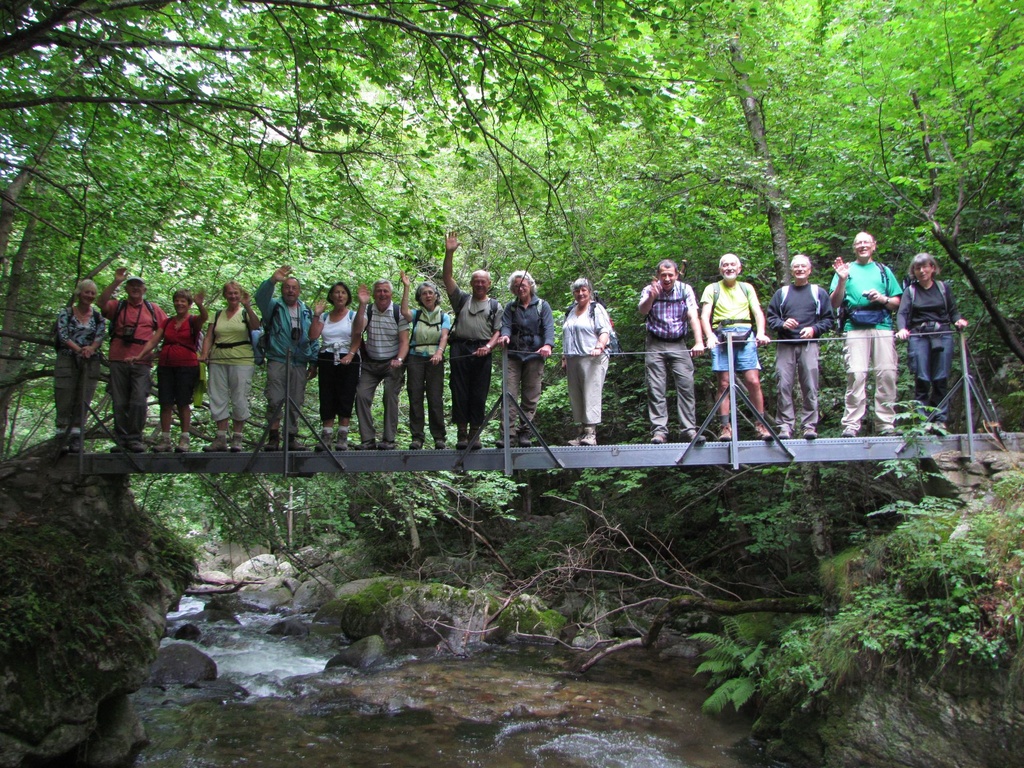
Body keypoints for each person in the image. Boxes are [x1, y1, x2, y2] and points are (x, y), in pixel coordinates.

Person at [830, 232, 903, 437]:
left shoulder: (883, 271)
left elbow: (897, 302)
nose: (862, 246)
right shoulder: (846, 270)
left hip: (882, 326)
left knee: (886, 373)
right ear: (854, 248)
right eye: (858, 243)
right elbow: (834, 303)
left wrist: (881, 298)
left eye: (866, 242)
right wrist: (842, 279)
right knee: (856, 374)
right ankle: (851, 425)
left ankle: (886, 423)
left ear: (874, 246)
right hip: (854, 327)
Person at [700, 254, 772, 441]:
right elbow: (704, 315)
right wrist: (709, 337)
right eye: (725, 265)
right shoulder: (712, 289)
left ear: (739, 269)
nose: (729, 268)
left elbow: (757, 311)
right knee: (723, 383)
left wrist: (761, 332)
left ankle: (760, 424)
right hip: (722, 336)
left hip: (746, 334)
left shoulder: (746, 288)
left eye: (733, 265)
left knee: (753, 380)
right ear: (720, 269)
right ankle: (725, 427)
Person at [442, 232, 502, 450]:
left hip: (483, 350)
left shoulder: (495, 306)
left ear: (489, 284)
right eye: (476, 281)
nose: (479, 284)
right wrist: (449, 253)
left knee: (479, 392)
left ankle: (475, 434)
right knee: (459, 390)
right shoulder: (462, 300)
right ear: (471, 283)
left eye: (483, 282)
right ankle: (462, 433)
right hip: (460, 348)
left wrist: (488, 347)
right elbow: (447, 279)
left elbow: (497, 331)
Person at [128, 289, 208, 452]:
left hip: (187, 366)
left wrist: (200, 305)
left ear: (189, 304)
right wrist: (140, 355)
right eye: (177, 300)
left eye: (183, 301)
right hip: (166, 365)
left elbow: (204, 318)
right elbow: (153, 340)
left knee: (183, 402)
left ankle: (184, 440)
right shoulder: (167, 322)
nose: (179, 304)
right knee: (165, 402)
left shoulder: (193, 321)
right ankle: (165, 440)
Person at [765, 255, 835, 439]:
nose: (800, 269)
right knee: (783, 384)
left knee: (810, 385)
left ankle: (809, 425)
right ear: (791, 270)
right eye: (796, 266)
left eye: (803, 266)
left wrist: (814, 329)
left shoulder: (817, 292)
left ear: (809, 270)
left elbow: (829, 319)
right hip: (785, 344)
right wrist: (783, 324)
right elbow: (771, 318)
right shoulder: (783, 293)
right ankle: (786, 426)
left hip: (809, 344)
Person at [98, 269, 169, 452]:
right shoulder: (118, 306)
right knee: (119, 400)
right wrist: (116, 281)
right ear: (127, 288)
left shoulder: (152, 309)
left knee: (139, 399)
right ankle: (121, 440)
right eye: (132, 285)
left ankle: (135, 438)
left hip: (142, 361)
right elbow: (101, 303)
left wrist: (160, 352)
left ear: (144, 289)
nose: (135, 289)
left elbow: (168, 329)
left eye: (139, 286)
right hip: (118, 358)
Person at [896, 253, 968, 430]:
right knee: (922, 377)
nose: (922, 271)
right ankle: (923, 420)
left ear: (932, 268)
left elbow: (953, 311)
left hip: (942, 334)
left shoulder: (943, 288)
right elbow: (902, 313)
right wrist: (902, 329)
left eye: (925, 267)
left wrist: (959, 321)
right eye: (918, 268)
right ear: (913, 271)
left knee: (941, 377)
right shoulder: (910, 291)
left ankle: (940, 418)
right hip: (919, 336)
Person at [638, 259, 705, 444]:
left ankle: (689, 429)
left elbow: (693, 315)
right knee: (656, 387)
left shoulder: (685, 290)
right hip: (655, 343)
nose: (667, 279)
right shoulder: (649, 289)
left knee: (686, 384)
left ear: (676, 275)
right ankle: (659, 431)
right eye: (663, 275)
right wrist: (652, 296)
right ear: (658, 275)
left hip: (678, 343)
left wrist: (699, 341)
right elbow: (643, 311)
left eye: (670, 275)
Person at [255, 265, 319, 451]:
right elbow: (260, 298)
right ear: (282, 290)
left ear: (299, 291)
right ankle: (273, 437)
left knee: (296, 400)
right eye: (287, 287)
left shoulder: (305, 310)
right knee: (275, 398)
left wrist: (314, 362)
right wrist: (273, 280)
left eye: (294, 288)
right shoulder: (274, 306)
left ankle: (291, 437)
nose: (290, 291)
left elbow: (313, 337)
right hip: (278, 358)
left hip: (300, 361)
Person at [199, 281, 260, 452]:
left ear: (240, 295)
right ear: (225, 295)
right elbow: (209, 336)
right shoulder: (217, 314)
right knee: (217, 396)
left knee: (239, 396)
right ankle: (220, 438)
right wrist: (204, 354)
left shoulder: (244, 313)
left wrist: (248, 306)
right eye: (229, 293)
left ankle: (237, 438)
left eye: (236, 293)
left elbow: (256, 326)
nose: (233, 296)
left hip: (241, 360)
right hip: (218, 359)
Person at [497, 270, 554, 447]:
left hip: (535, 355)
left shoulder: (542, 306)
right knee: (509, 394)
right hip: (513, 355)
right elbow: (505, 325)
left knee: (531, 395)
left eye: (522, 284)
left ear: (530, 285)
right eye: (516, 286)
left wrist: (548, 345)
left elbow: (549, 328)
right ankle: (508, 434)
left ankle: (524, 432)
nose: (520, 288)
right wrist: (504, 336)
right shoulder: (510, 307)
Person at [353, 279, 408, 450]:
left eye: (385, 291)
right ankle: (368, 440)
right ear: (374, 293)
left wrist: (399, 359)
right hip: (370, 362)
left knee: (389, 396)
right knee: (361, 396)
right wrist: (362, 304)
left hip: (392, 362)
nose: (382, 294)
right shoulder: (369, 310)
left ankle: (389, 440)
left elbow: (404, 341)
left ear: (391, 293)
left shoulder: (398, 312)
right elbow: (356, 330)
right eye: (378, 291)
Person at [54, 279, 107, 453]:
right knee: (64, 394)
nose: (89, 296)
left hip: (90, 360)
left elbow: (100, 336)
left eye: (92, 293)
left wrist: (90, 349)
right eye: (87, 292)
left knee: (84, 396)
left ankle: (77, 437)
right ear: (79, 293)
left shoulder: (98, 317)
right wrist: (78, 349)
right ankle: (61, 436)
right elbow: (62, 334)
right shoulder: (66, 313)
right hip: (67, 358)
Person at [400, 272, 450, 449]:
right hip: (415, 357)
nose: (428, 296)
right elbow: (404, 311)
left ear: (436, 296)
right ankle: (417, 437)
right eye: (424, 293)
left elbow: (444, 336)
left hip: (435, 359)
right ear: (420, 298)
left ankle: (439, 437)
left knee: (435, 397)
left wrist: (439, 352)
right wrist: (406, 287)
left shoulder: (444, 316)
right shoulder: (416, 314)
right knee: (415, 396)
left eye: (430, 292)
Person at [310, 281, 361, 451]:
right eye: (336, 292)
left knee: (346, 395)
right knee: (327, 395)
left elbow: (358, 335)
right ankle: (326, 436)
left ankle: (342, 436)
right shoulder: (325, 317)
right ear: (331, 296)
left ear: (347, 297)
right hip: (327, 357)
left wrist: (351, 354)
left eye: (343, 293)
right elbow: (313, 335)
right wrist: (316, 315)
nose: (340, 295)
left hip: (348, 356)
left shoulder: (353, 316)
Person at [561, 278, 612, 446]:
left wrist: (599, 346)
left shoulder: (596, 309)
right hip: (573, 358)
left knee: (591, 392)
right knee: (576, 394)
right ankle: (581, 432)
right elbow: (566, 335)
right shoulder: (570, 310)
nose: (580, 293)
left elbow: (605, 331)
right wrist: (564, 357)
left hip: (592, 357)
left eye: (583, 290)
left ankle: (591, 433)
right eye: (577, 291)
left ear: (589, 291)